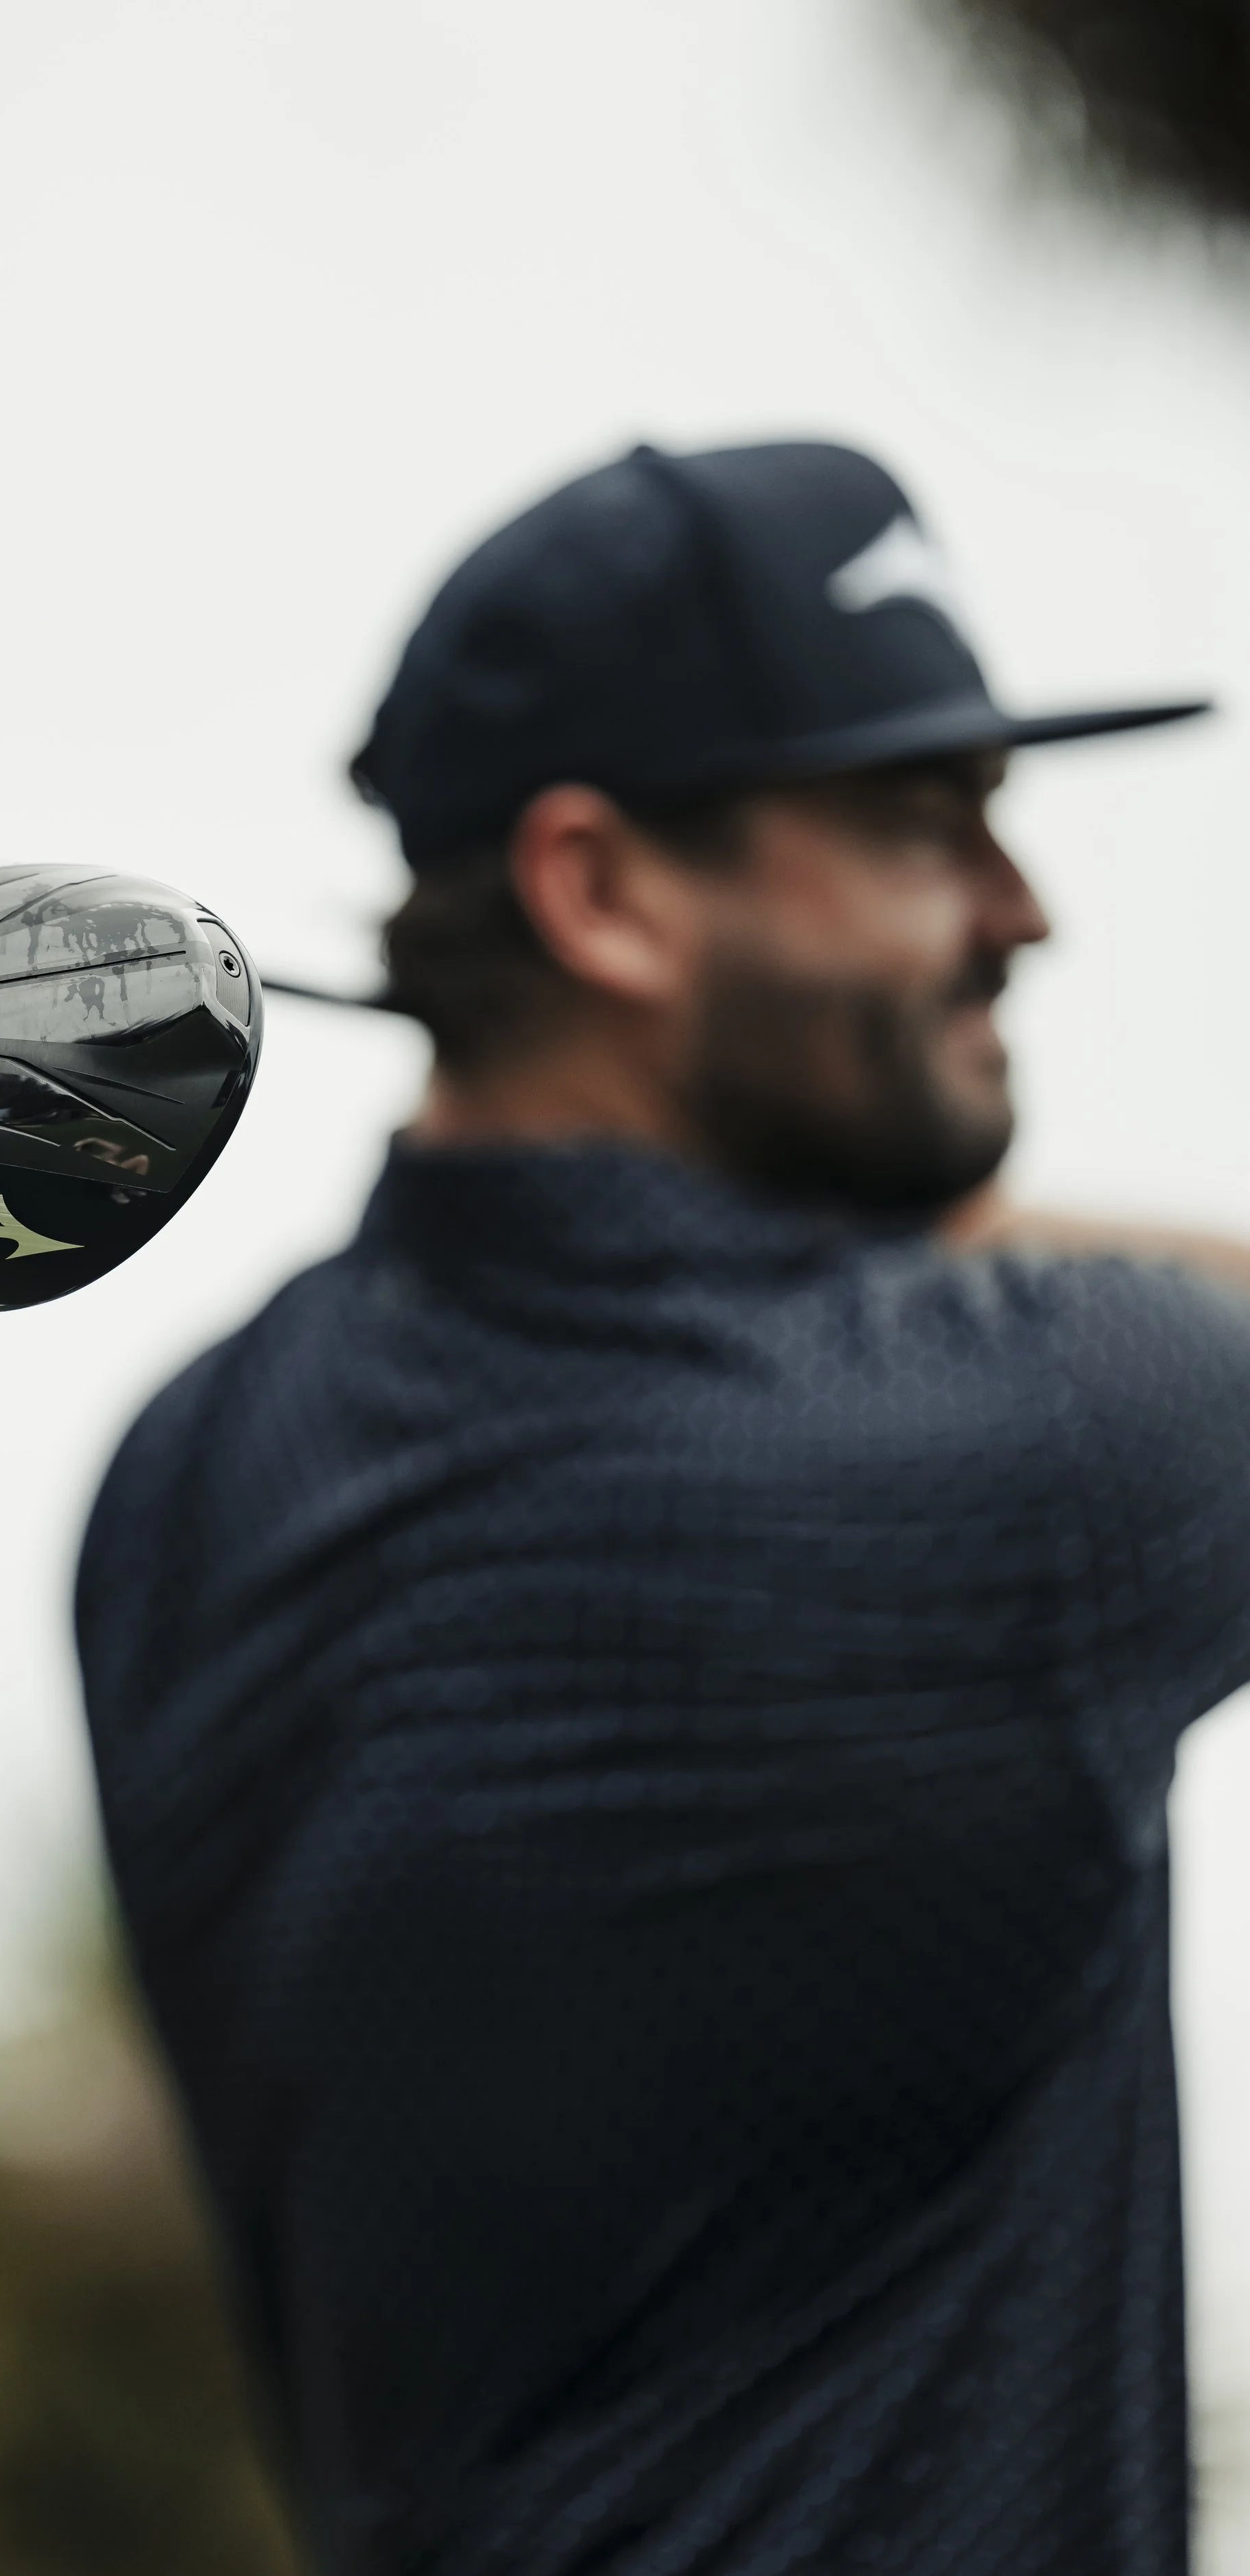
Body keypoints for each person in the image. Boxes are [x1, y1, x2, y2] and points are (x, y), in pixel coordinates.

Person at [75, 440, 1250, 2576]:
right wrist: (904, 1182)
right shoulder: (1049, 1459)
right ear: (600, 892)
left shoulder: (190, 1474)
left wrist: (822, 1158)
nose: (1018, 910)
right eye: (918, 826)